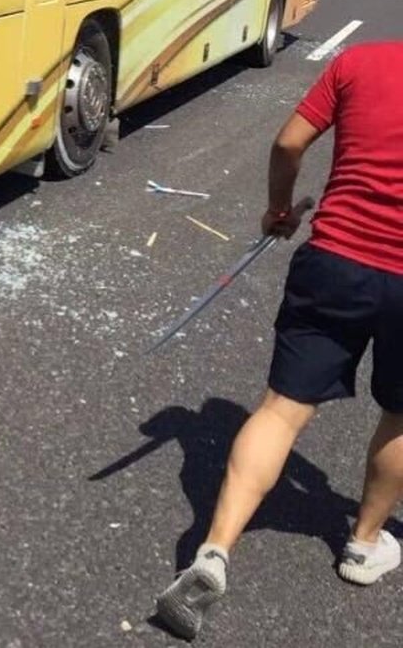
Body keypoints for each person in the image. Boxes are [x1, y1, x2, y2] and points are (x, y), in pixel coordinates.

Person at [156, 40, 403, 640]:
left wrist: (278, 210)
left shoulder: (359, 63)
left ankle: (213, 551)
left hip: (334, 261)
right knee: (400, 416)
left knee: (281, 412)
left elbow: (290, 141)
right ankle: (363, 545)